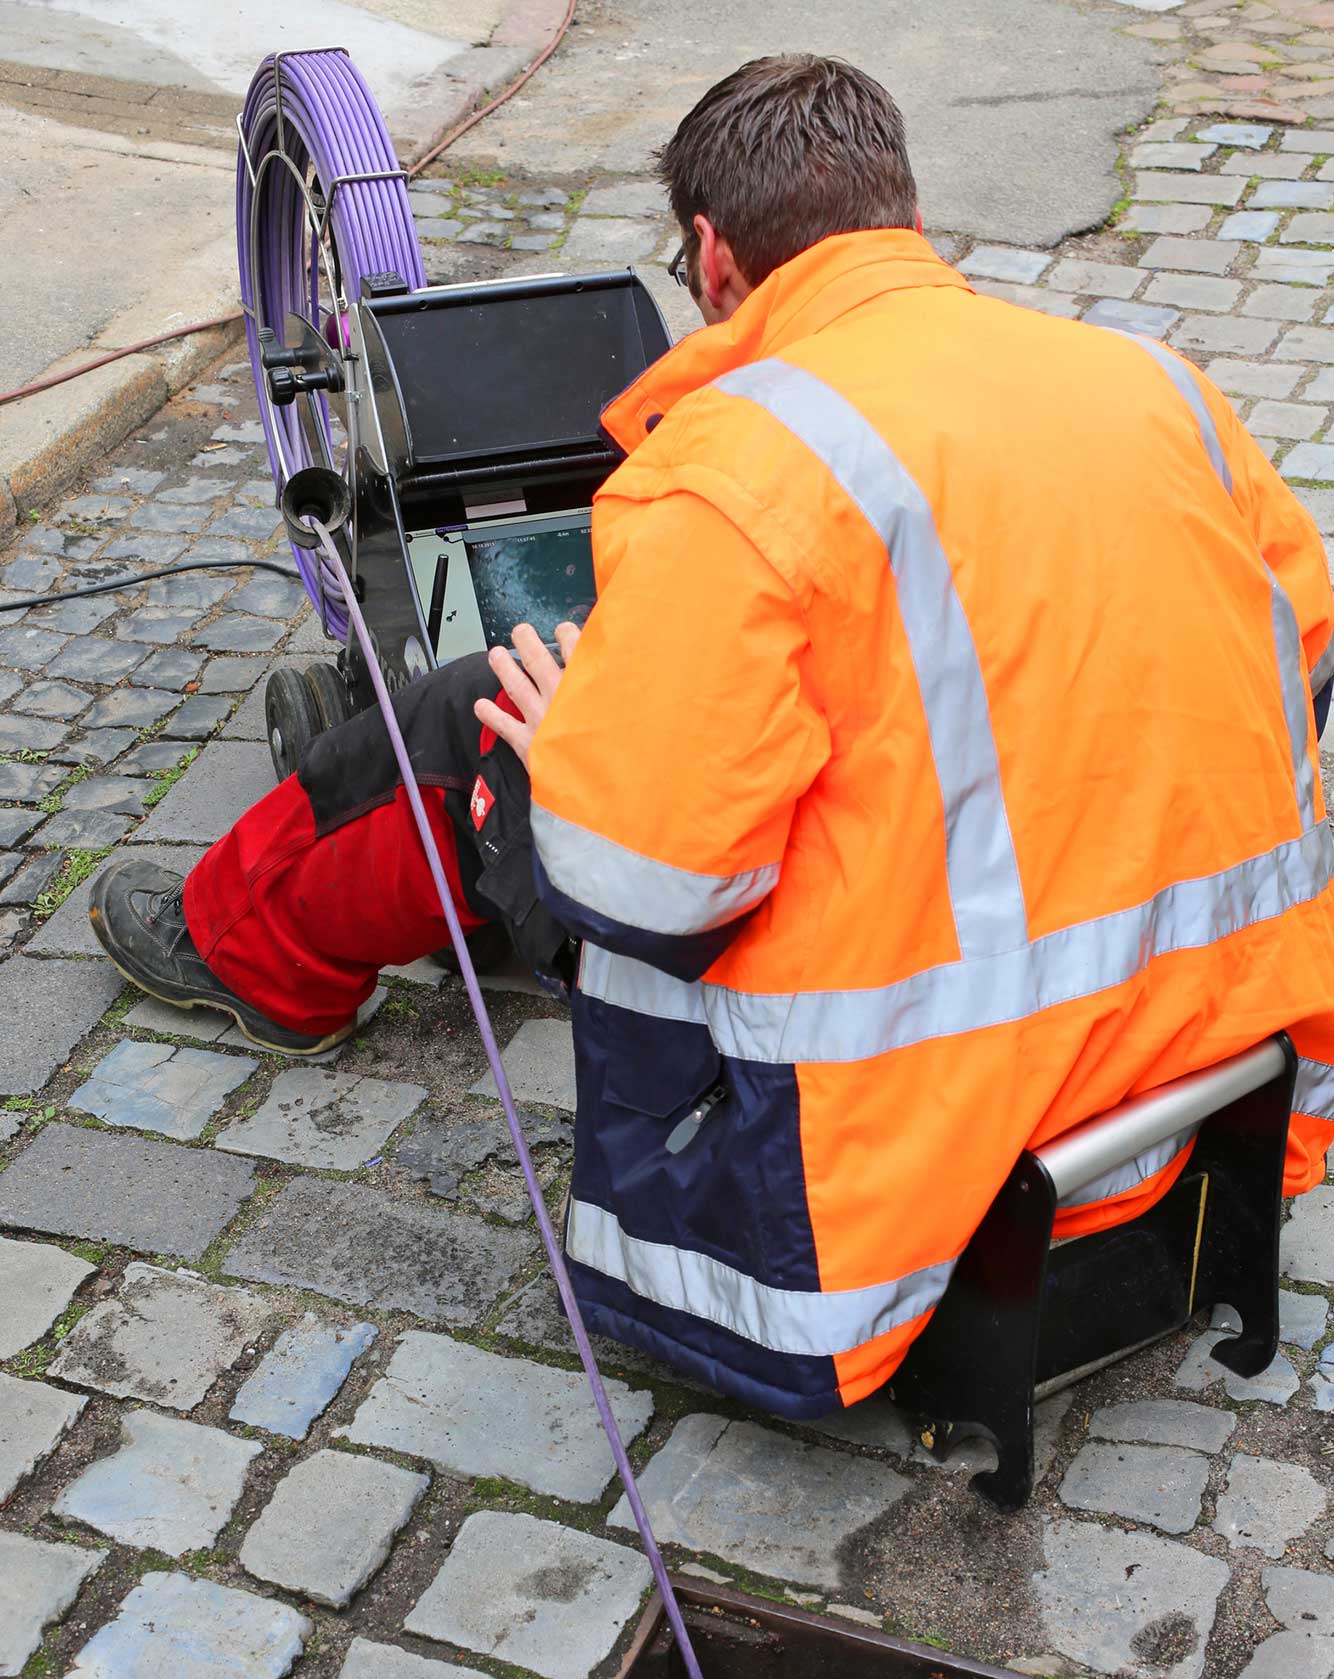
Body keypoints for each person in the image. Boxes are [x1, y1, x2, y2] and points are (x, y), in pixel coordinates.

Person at [91, 54, 1334, 1422]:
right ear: (900, 215)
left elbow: (655, 887)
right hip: (1201, 1097)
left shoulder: (737, 463)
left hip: (891, 1204)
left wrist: (575, 746)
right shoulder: (1151, 380)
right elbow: (1300, 653)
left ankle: (254, 950)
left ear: (712, 256)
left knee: (470, 713)